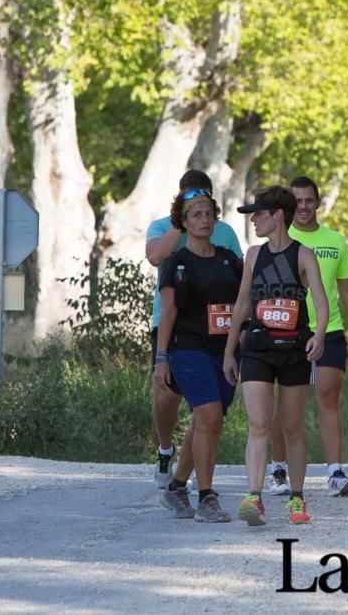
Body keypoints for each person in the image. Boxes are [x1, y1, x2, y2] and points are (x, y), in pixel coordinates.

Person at [223, 185, 328, 526]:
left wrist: (321, 335)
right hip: (257, 348)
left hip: (295, 349)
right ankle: (254, 497)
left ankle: (297, 499)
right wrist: (229, 352)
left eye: (259, 214)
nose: (254, 220)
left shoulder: (303, 255)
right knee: (258, 423)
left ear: (278, 216)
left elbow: (322, 305)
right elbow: (241, 304)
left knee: (292, 427)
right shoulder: (253, 255)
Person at [265, 176, 348, 498]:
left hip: (331, 330)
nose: (304, 206)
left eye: (309, 200)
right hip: (286, 330)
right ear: (288, 206)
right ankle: (278, 468)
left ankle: (335, 472)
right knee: (285, 406)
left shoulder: (334, 240)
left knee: (327, 398)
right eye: (298, 200)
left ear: (318, 203)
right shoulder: (280, 238)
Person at [145, 170, 243, 489]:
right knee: (169, 397)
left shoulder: (225, 236)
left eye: (207, 208)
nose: (204, 217)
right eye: (193, 206)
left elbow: (240, 285)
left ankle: (181, 485)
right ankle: (165, 450)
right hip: (173, 328)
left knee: (208, 414)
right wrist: (181, 225)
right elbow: (156, 256)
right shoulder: (165, 229)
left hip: (219, 335)